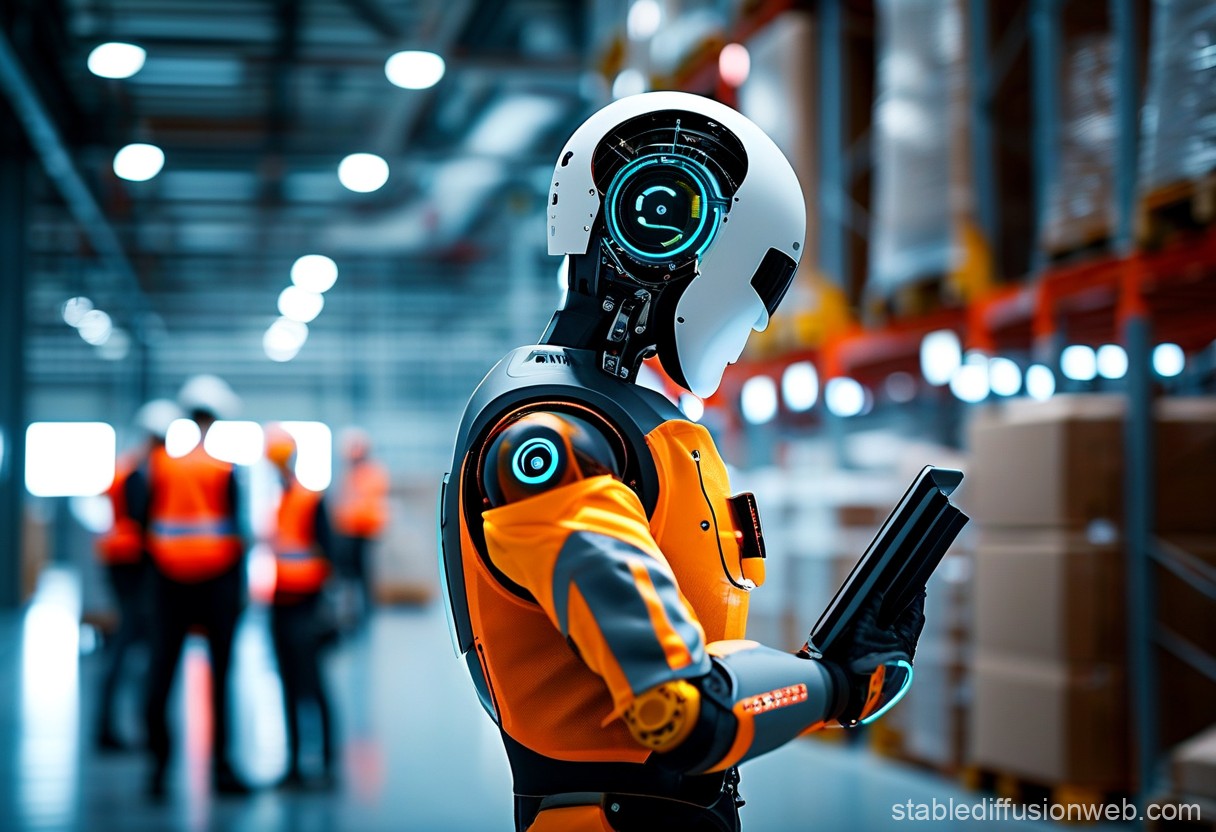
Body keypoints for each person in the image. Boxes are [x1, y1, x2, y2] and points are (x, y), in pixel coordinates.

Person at [438, 92, 928, 831]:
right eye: (759, 287)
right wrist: (831, 685)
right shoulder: (558, 442)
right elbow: (682, 712)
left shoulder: (614, 418)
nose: (754, 314)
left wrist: (822, 673)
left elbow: (697, 667)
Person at [133, 374, 249, 797]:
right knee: (220, 677)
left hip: (168, 583)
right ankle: (221, 768)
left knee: (160, 671)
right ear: (216, 419)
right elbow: (237, 534)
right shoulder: (224, 469)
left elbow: (145, 523)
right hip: (217, 582)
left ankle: (158, 769)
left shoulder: (161, 465)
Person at [94, 398, 181, 751]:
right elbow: (146, 523)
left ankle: (124, 723)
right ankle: (114, 726)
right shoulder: (138, 475)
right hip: (133, 568)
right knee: (128, 644)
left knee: (130, 645)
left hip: (123, 563)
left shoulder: (129, 468)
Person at [264, 425, 337, 788]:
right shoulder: (278, 500)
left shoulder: (309, 499)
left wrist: (328, 607)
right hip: (280, 602)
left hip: (306, 605)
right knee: (290, 685)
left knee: (313, 684)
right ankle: (294, 764)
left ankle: (325, 764)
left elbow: (330, 555)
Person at [332, 427, 389, 626]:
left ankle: (366, 611)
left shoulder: (372, 472)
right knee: (350, 574)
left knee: (363, 573)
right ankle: (353, 610)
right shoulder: (350, 473)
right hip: (349, 530)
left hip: (365, 530)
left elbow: (365, 503)